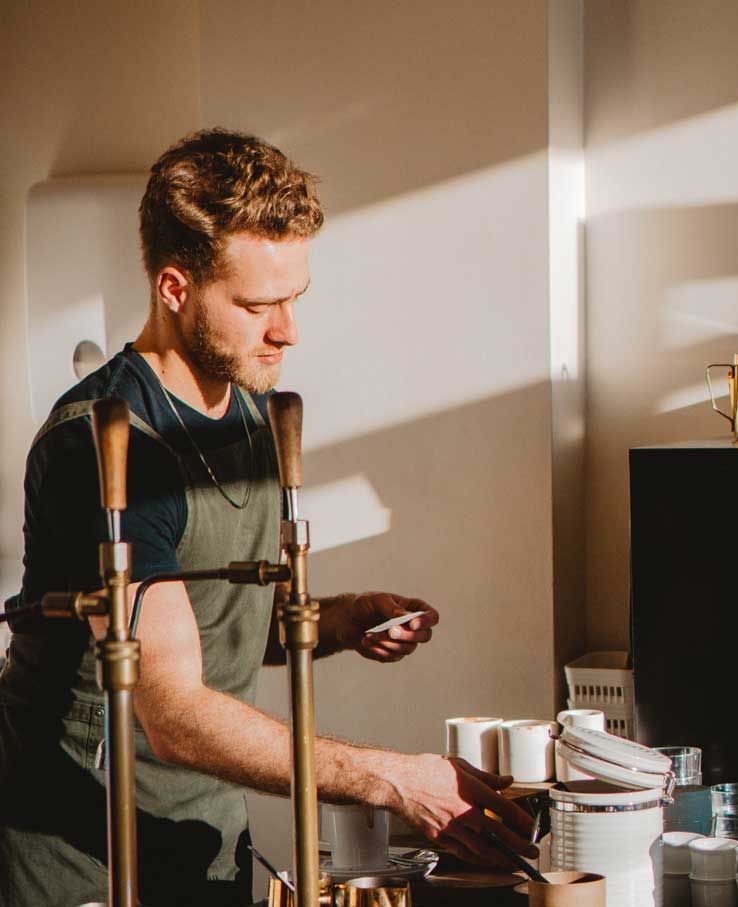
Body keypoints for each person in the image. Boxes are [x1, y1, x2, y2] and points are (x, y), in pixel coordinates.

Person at [0, 129, 535, 907]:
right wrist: (391, 777)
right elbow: (175, 710)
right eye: (258, 305)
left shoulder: (250, 412)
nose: (288, 329)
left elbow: (213, 621)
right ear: (174, 289)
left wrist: (341, 620)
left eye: (294, 297)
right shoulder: (107, 446)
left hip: (205, 844)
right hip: (84, 861)